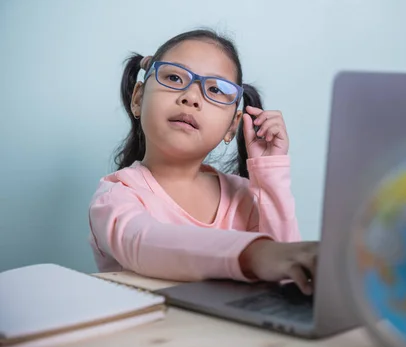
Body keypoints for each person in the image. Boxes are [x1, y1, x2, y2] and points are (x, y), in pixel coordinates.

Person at [88, 29, 317, 295]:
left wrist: (270, 174)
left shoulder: (243, 196)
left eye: (215, 90)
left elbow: (287, 279)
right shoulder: (115, 198)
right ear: (138, 99)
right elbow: (144, 244)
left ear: (232, 125)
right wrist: (258, 253)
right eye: (174, 77)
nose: (192, 98)